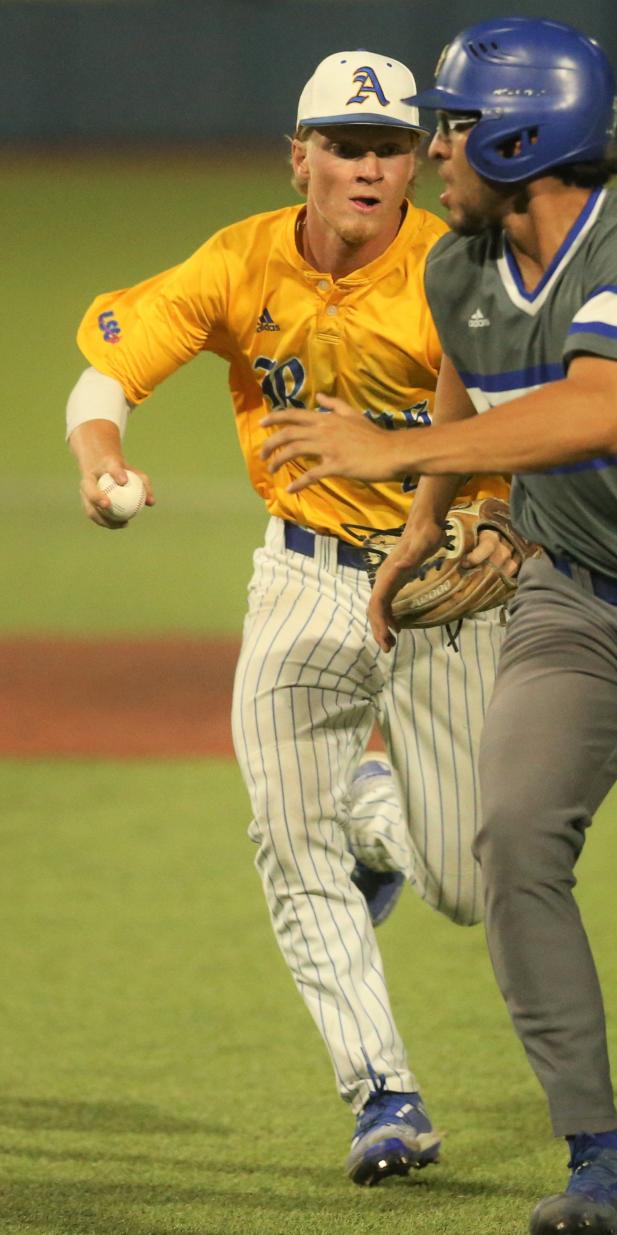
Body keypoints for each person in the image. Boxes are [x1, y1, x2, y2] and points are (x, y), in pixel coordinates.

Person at [257, 16, 617, 1235]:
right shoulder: (459, 264)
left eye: (446, 130)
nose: (425, 153)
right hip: (575, 607)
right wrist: (420, 526)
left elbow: (598, 412)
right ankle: (598, 1164)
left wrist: (395, 449)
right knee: (515, 838)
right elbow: (470, 362)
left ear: (516, 138)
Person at [65, 49, 518, 1187]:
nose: (370, 168)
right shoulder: (241, 259)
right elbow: (107, 369)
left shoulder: (459, 270)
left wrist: (513, 525)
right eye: (347, 145)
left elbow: (533, 423)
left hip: (442, 586)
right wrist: (102, 455)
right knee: (286, 834)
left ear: (422, 157)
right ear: (302, 154)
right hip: (304, 576)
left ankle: (378, 808)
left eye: (392, 147)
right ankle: (383, 1094)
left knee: (468, 882)